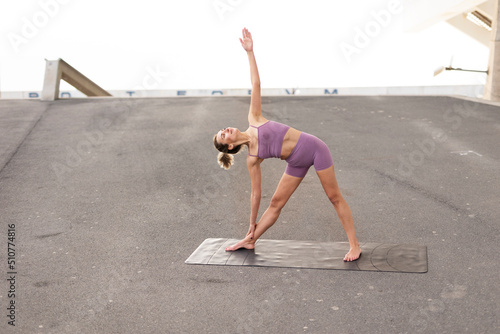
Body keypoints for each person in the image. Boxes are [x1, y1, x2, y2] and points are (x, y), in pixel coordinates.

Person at [213, 28, 362, 261]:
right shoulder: (252, 159)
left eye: (222, 130)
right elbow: (255, 194)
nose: (225, 131)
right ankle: (250, 240)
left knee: (334, 197)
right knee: (275, 203)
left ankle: (355, 245)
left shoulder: (254, 119)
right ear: (230, 147)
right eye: (223, 136)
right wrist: (251, 224)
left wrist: (250, 53)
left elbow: (256, 83)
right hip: (296, 162)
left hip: (315, 149)